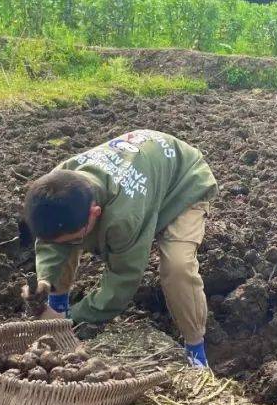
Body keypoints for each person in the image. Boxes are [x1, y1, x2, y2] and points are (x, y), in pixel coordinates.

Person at [19, 130, 217, 368]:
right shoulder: (56, 185)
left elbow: (124, 278)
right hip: (145, 172)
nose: (69, 243)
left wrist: (73, 319)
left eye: (77, 237)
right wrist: (45, 280)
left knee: (178, 266)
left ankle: (196, 350)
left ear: (95, 213)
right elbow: (53, 240)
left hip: (183, 182)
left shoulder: (124, 218)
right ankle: (58, 303)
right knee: (65, 237)